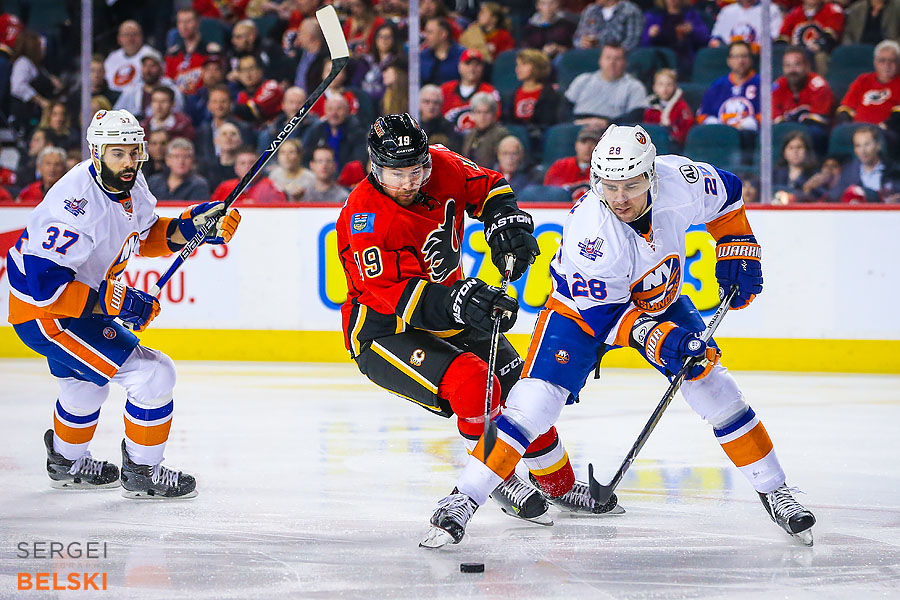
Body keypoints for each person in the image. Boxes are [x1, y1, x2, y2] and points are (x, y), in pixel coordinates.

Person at [422, 124, 817, 548]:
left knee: (716, 387)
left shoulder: (679, 180)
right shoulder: (592, 233)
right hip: (580, 314)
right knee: (531, 406)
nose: (620, 198)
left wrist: (737, 244)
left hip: (658, 299)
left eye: (631, 184)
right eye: (609, 186)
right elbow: (608, 319)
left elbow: (729, 196)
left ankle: (775, 490)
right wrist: (661, 340)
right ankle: (463, 498)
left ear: (652, 177)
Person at [336, 114, 607, 537]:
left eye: (417, 169)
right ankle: (497, 479)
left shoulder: (441, 165)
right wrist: (460, 301)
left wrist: (505, 221)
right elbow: (398, 297)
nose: (410, 182)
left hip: (449, 309)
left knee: (522, 388)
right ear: (374, 167)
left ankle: (558, 484)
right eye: (397, 174)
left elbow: (489, 186)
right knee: (472, 382)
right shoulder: (364, 220)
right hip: (386, 330)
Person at [5, 108, 240, 498]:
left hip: (62, 305)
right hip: (46, 314)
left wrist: (191, 227)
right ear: (96, 152)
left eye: (135, 152)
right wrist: (116, 301)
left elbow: (143, 236)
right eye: (118, 153)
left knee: (85, 387)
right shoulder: (74, 207)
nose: (129, 161)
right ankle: (143, 471)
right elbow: (43, 287)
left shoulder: (128, 181)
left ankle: (65, 461)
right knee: (153, 375)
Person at [564, 43, 648, 128]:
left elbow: (636, 116)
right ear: (600, 61)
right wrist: (577, 122)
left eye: (617, 59)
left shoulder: (634, 86)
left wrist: (607, 123)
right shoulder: (583, 80)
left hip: (612, 129)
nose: (612, 63)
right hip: (577, 125)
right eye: (608, 58)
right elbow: (564, 109)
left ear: (625, 62)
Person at [836, 40, 900, 133]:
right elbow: (846, 108)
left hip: (885, 132)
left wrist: (882, 128)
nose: (887, 65)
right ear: (875, 62)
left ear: (898, 63)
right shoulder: (863, 80)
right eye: (882, 60)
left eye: (892, 60)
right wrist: (846, 127)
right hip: (857, 130)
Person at [697, 41, 761, 131]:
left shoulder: (761, 84)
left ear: (751, 59)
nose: (740, 61)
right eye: (736, 57)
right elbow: (702, 116)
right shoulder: (717, 86)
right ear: (728, 61)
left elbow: (767, 116)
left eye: (744, 56)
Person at [641, 0, 710, 78]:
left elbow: (705, 38)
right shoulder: (653, 16)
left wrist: (692, 30)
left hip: (685, 60)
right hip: (660, 60)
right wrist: (650, 35)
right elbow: (644, 45)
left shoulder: (692, 15)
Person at [772, 46, 835, 132]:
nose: (792, 70)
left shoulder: (818, 85)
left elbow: (820, 124)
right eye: (787, 65)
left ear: (807, 66)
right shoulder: (778, 86)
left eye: (797, 64)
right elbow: (775, 120)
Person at [831, 125, 900, 202]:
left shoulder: (894, 171)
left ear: (878, 145)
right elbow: (834, 198)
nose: (862, 151)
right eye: (858, 146)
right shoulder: (848, 171)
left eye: (867, 144)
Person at [165, 8, 223, 96]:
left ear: (198, 23)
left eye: (188, 21)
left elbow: (217, 79)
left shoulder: (211, 52)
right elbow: (168, 82)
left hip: (204, 99)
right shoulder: (173, 54)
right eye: (180, 22)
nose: (184, 26)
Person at [441, 49, 501, 133]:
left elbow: (494, 119)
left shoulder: (489, 92)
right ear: (459, 66)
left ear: (482, 68)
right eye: (467, 64)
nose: (472, 68)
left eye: (476, 65)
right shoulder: (445, 89)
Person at [115, 50, 185, 121]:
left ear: (161, 68)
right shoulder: (132, 89)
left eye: (152, 66)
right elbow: (116, 113)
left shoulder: (172, 90)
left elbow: (178, 114)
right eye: (145, 65)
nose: (148, 70)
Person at [777, 0, 845, 74]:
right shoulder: (794, 13)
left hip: (820, 51)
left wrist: (818, 45)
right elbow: (783, 38)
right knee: (785, 58)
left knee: (820, 57)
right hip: (796, 52)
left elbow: (831, 37)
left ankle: (820, 83)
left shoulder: (832, 10)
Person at [211, 145, 288, 204]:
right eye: (242, 163)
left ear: (260, 167)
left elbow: (280, 211)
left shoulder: (271, 186)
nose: (247, 167)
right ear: (236, 168)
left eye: (252, 163)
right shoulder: (224, 187)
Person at [543, 125, 604, 198]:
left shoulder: (603, 170)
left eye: (592, 143)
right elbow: (548, 195)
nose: (588, 147)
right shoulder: (560, 166)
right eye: (583, 142)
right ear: (576, 145)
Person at [642, 68, 695, 148]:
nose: (665, 89)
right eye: (661, 84)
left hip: (675, 146)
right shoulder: (650, 108)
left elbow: (686, 129)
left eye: (669, 85)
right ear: (654, 87)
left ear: (675, 86)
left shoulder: (681, 106)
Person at [147, 138, 211, 201]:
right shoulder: (154, 183)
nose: (181, 161)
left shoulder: (199, 185)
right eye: (176, 157)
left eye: (186, 157)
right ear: (167, 160)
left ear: (192, 160)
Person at [709, 0, 784, 52]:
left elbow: (775, 38)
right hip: (730, 59)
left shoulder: (771, 9)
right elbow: (715, 39)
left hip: (759, 59)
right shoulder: (726, 11)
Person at [232, 54, 285, 126]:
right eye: (243, 70)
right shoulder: (242, 95)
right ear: (238, 75)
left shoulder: (271, 86)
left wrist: (229, 107)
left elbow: (254, 111)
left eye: (251, 68)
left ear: (260, 70)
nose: (248, 74)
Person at [104, 20, 156, 92]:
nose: (130, 39)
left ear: (142, 37)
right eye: (126, 35)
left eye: (135, 34)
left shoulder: (151, 55)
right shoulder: (112, 57)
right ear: (119, 39)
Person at [461, 92, 510, 168]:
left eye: (486, 112)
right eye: (478, 112)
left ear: (494, 114)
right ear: (473, 115)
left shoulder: (501, 134)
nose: (482, 117)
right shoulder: (469, 135)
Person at [573, 0, 643, 52]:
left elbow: (633, 41)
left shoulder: (630, 10)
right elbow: (577, 38)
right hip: (590, 55)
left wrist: (612, 53)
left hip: (619, 58)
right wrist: (581, 43)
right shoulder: (591, 10)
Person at [773, 131, 820, 202]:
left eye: (799, 147)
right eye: (791, 148)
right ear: (784, 153)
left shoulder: (815, 176)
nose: (795, 151)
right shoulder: (775, 174)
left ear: (806, 151)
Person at [419, 17, 466, 86]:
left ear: (443, 34)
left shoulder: (462, 55)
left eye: (430, 32)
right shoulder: (421, 57)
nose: (426, 36)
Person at [419, 84, 461, 151]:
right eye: (427, 102)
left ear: (441, 105)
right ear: (419, 103)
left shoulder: (449, 128)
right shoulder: (413, 127)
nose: (431, 107)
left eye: (435, 103)